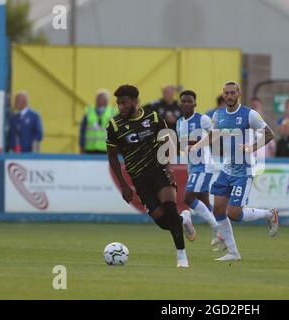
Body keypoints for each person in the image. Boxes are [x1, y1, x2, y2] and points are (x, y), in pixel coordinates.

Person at [106, 84, 195, 268]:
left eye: (124, 103)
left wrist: (168, 165)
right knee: (164, 222)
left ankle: (182, 258)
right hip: (138, 178)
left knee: (170, 207)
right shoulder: (115, 126)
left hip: (159, 169)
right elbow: (113, 157)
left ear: (134, 101)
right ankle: (184, 218)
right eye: (118, 104)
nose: (120, 107)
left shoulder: (152, 117)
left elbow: (167, 139)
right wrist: (123, 184)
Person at [190, 81, 279, 261]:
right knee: (218, 210)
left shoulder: (250, 114)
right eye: (226, 93)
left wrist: (252, 146)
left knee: (234, 213)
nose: (229, 96)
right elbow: (212, 136)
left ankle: (269, 214)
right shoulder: (219, 114)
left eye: (232, 93)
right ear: (223, 95)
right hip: (227, 168)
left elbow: (269, 134)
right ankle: (233, 253)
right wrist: (196, 146)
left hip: (244, 170)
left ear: (238, 94)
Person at [176, 90, 219, 247]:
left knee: (188, 198)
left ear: (195, 103)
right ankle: (225, 232)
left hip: (204, 165)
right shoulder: (180, 122)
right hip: (192, 166)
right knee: (205, 202)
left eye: (189, 101)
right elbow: (182, 145)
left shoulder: (203, 119)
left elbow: (215, 135)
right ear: (180, 104)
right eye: (184, 101)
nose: (186, 104)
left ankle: (216, 227)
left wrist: (198, 145)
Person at [79, 89, 116, 154]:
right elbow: (82, 130)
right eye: (98, 98)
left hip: (107, 148)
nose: (99, 100)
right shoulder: (88, 111)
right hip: (90, 148)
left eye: (102, 98)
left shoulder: (113, 112)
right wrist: (82, 146)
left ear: (106, 100)